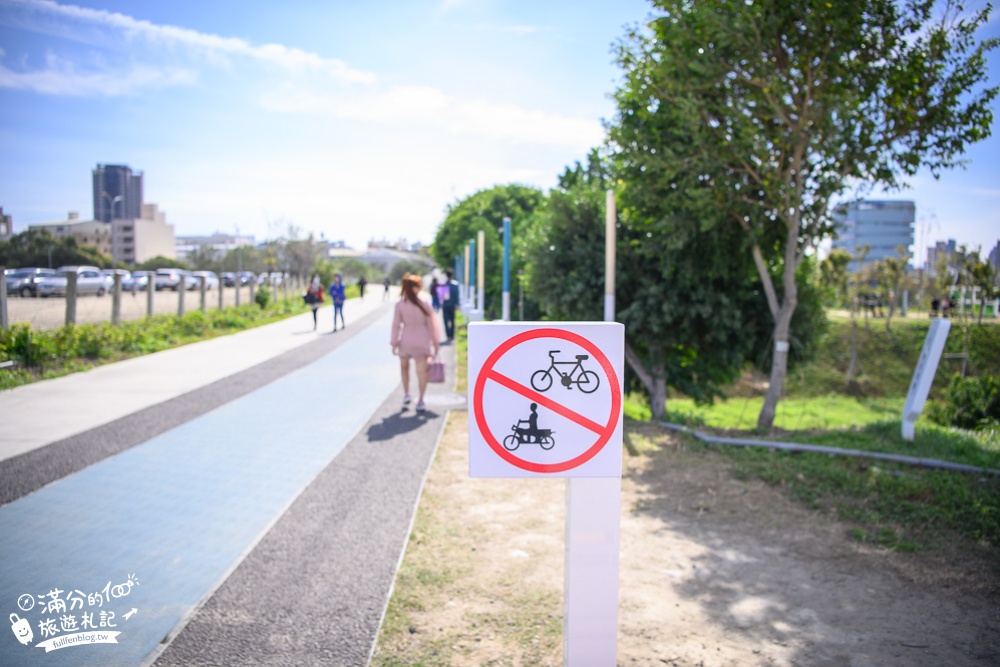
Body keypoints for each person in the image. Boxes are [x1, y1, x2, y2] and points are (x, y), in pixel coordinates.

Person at [390, 273, 440, 413]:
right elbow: (432, 325)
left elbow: (396, 325)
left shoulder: (400, 305)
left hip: (406, 340)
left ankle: (407, 394)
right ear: (417, 287)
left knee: (404, 368)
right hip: (422, 341)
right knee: (421, 372)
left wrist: (394, 342)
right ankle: (421, 400)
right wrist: (435, 343)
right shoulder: (424, 304)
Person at [441, 269, 460, 344]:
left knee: (446, 321)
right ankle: (452, 336)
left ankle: (448, 335)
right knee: (452, 320)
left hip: (445, 305)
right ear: (452, 275)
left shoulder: (443, 285)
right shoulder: (455, 285)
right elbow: (456, 296)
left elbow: (442, 297)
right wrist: (457, 304)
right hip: (452, 305)